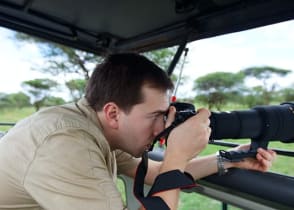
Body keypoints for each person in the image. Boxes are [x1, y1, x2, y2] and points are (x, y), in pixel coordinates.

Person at [0, 53, 276, 210]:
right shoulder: (67, 145)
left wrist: (229, 158)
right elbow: (170, 167)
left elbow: (156, 171)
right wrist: (176, 154)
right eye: (157, 116)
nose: (163, 127)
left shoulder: (96, 128)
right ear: (113, 113)